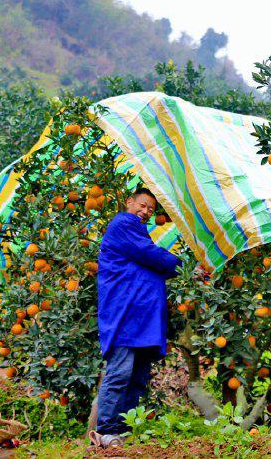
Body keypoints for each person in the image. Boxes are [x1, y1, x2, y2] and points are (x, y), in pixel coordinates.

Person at [88, 187, 181, 448]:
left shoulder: (140, 234)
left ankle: (123, 430)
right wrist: (183, 265)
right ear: (129, 202)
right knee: (119, 374)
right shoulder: (123, 224)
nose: (145, 212)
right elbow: (151, 255)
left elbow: (149, 260)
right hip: (124, 317)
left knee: (137, 378)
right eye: (142, 205)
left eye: (150, 210)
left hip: (142, 320)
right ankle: (106, 430)